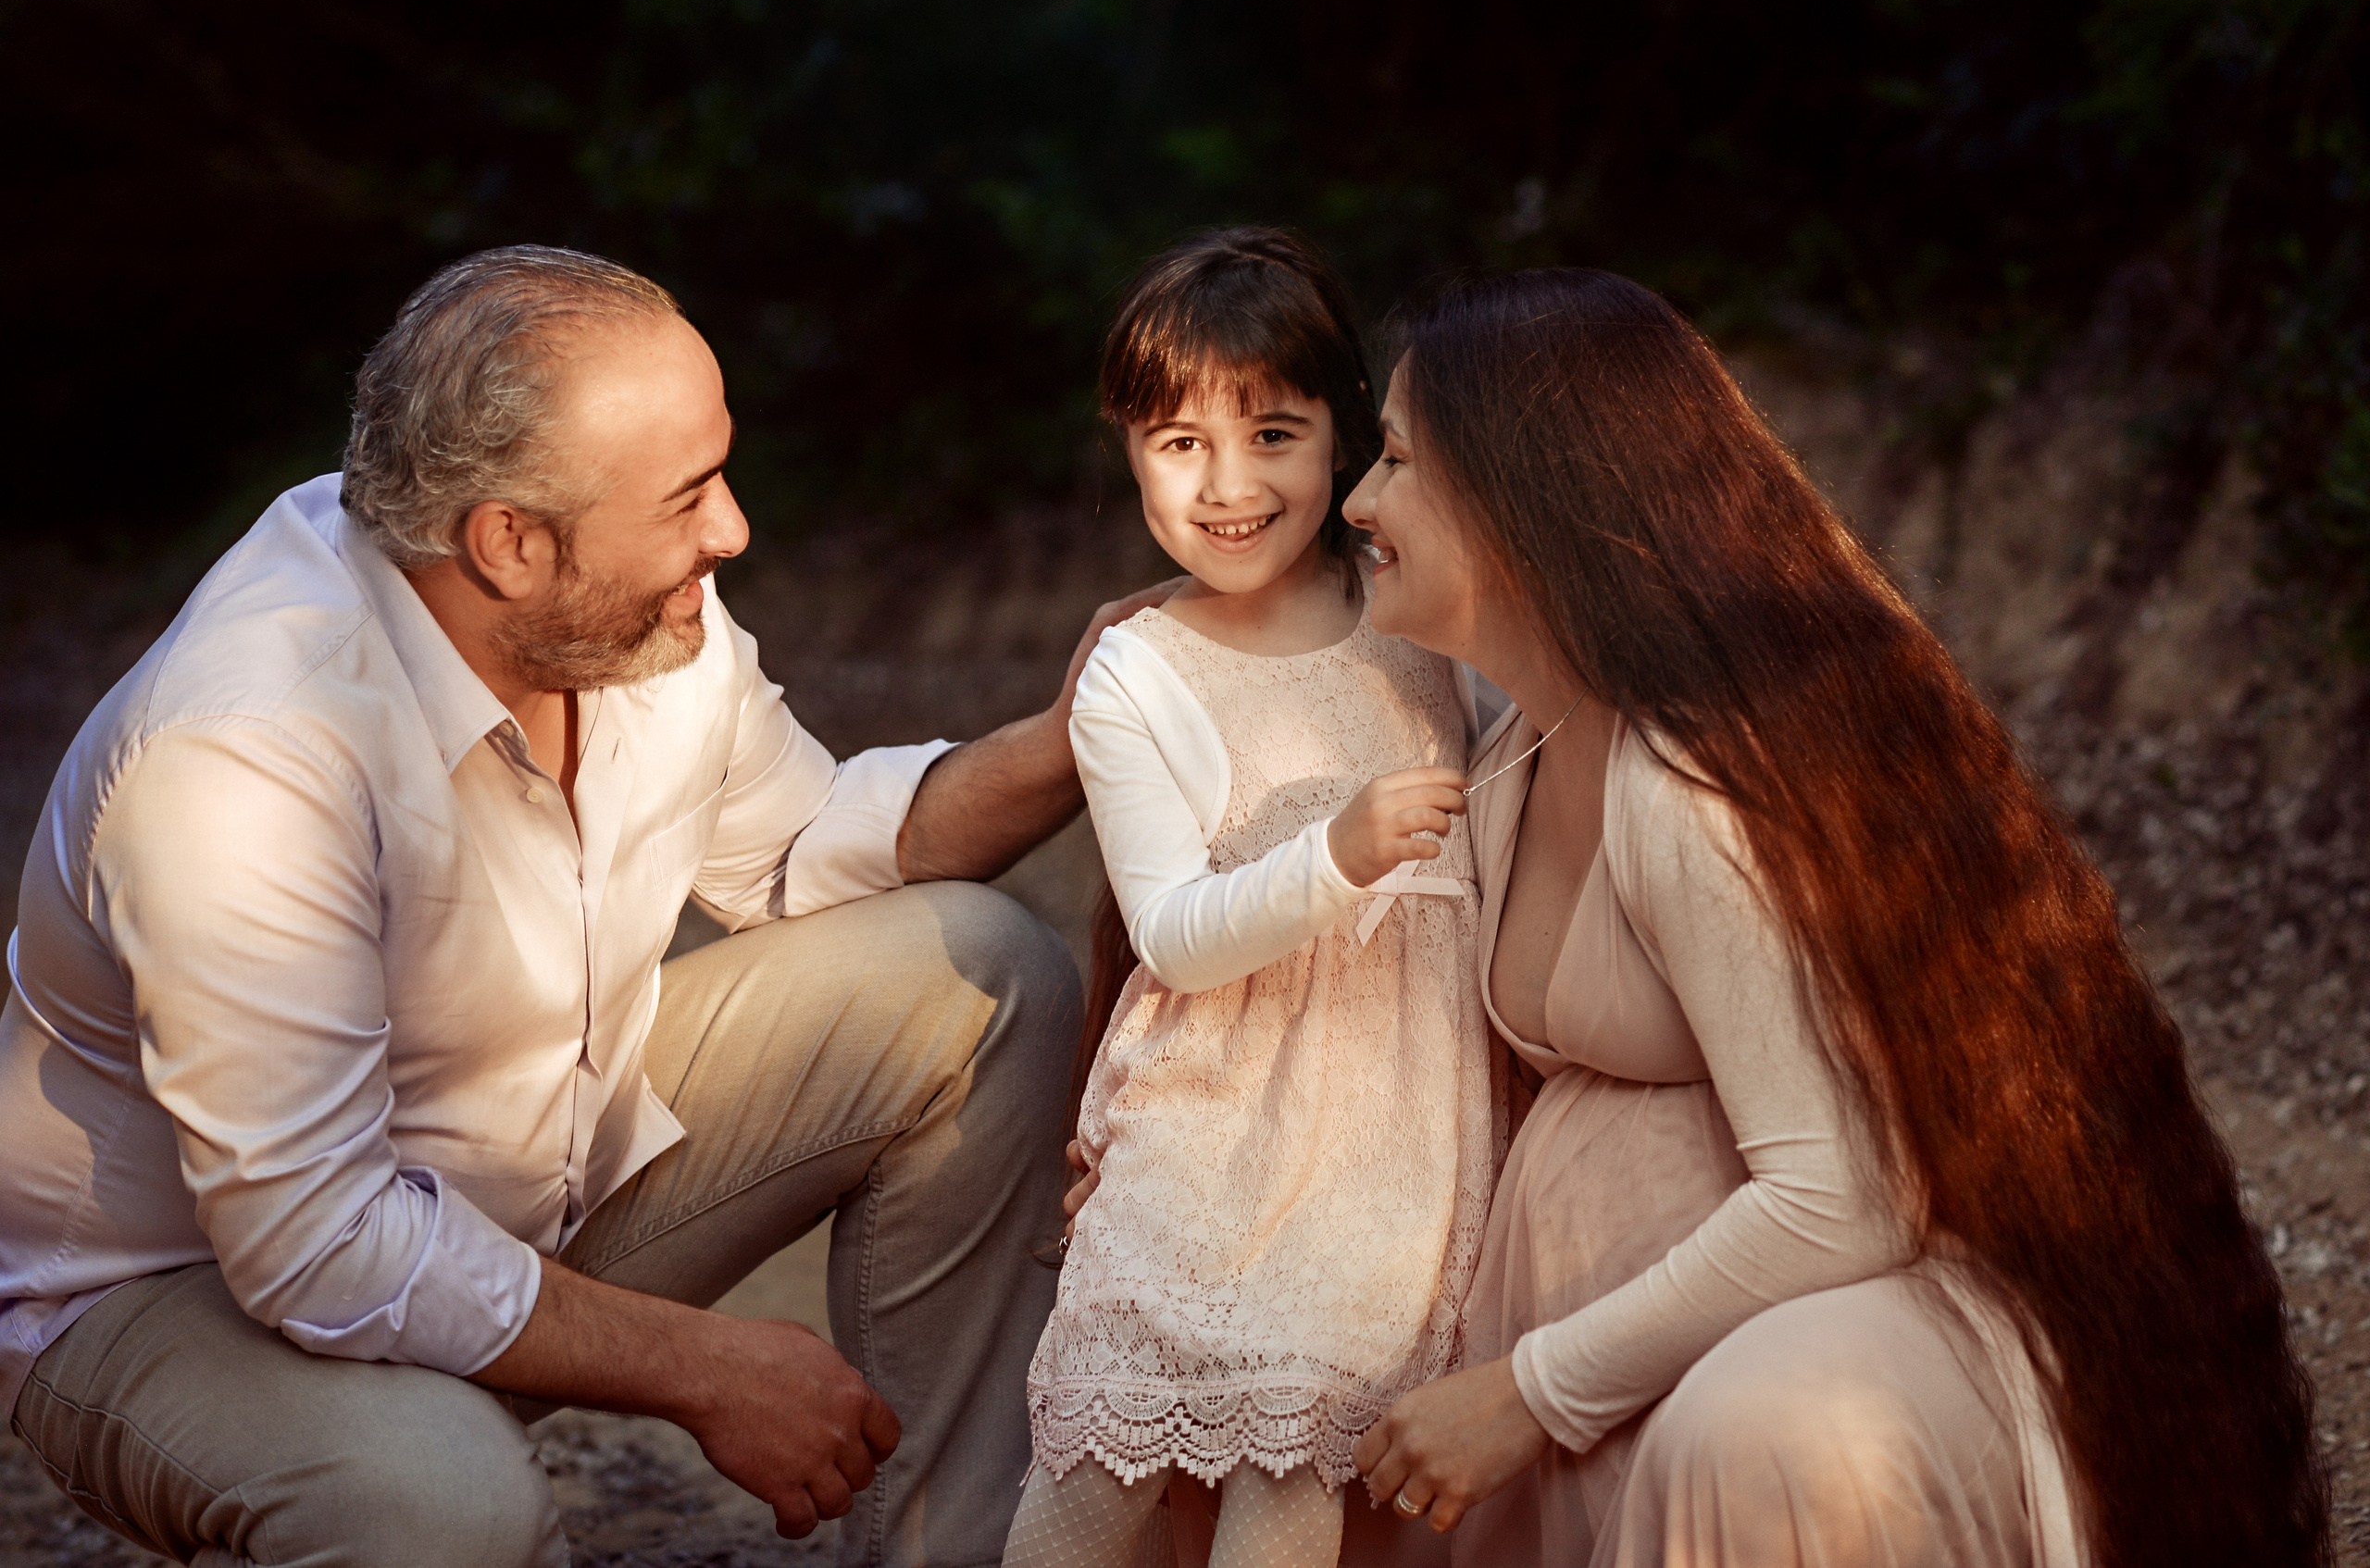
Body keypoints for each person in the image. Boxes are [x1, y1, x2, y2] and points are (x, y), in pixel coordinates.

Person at [0, 244, 1162, 1568]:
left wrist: (1075, 736)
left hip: (516, 1173)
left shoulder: (626, 613)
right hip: (179, 1288)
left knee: (981, 970)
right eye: (690, 497)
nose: (730, 531)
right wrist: (708, 1367)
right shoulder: (247, 752)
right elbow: (312, 1243)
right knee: (444, 1507)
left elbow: (805, 844)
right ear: (508, 541)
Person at [1331, 268, 2327, 1566]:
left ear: (1522, 498)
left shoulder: (1687, 777)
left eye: (1398, 460)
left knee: (1752, 1447)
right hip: (1626, 1338)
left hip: (1836, 1321)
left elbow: (1848, 1194)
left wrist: (1532, 1388)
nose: (1357, 499)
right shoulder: (1514, 744)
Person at [1002, 229, 1496, 1568]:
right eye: (1179, 445)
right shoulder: (1133, 675)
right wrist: (1332, 850)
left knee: (1294, 1482)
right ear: (1129, 451)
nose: (1229, 486)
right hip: (1203, 1131)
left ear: (1347, 435)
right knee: (1097, 1458)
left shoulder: (1423, 618)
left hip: (1383, 1152)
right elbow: (1170, 928)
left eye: (1274, 433)